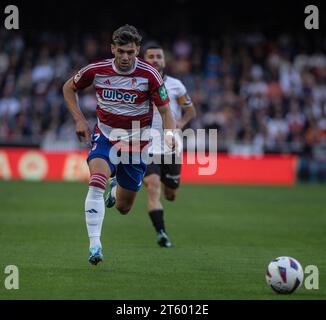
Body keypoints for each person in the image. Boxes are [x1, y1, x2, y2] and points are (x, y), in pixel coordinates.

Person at [63, 25, 175, 265]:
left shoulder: (149, 75)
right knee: (96, 182)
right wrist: (80, 119)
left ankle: (116, 188)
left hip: (137, 142)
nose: (125, 57)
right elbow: (68, 87)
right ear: (112, 48)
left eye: (131, 52)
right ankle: (95, 245)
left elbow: (166, 110)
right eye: (121, 51)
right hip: (105, 136)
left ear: (137, 51)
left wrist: (170, 134)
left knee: (124, 208)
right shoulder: (96, 70)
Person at [142, 42, 196, 248]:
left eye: (159, 56)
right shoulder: (139, 84)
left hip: (171, 148)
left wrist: (180, 125)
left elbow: (190, 110)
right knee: (153, 188)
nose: (155, 60)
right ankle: (161, 233)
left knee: (171, 194)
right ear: (144, 60)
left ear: (164, 60)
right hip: (147, 146)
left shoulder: (176, 86)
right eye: (151, 56)